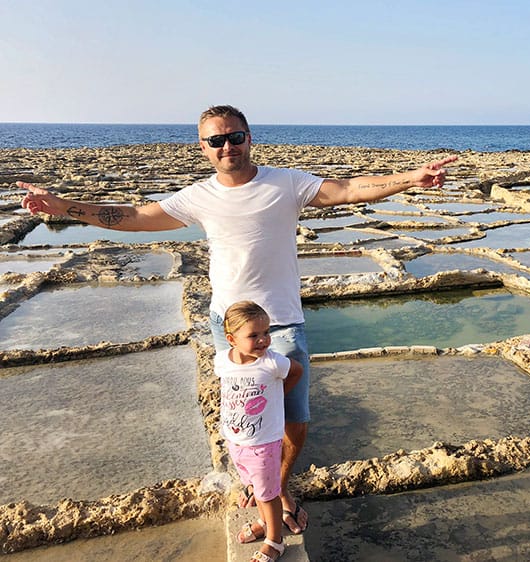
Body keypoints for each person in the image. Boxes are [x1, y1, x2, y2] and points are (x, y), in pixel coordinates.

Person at [19, 104, 458, 533]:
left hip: (282, 321)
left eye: (235, 136)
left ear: (250, 138)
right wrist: (65, 207)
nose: (226, 145)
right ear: (203, 148)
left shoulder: (285, 183)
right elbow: (134, 217)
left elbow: (347, 188)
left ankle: (277, 486)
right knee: (248, 417)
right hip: (226, 324)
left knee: (295, 421)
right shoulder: (199, 197)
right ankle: (265, 489)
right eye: (216, 140)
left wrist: (410, 180)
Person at [218, 300, 302, 562]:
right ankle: (267, 523)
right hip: (237, 440)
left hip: (264, 442)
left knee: (268, 493)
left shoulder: (272, 363)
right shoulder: (222, 360)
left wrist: (276, 396)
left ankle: (275, 541)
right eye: (253, 335)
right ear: (231, 339)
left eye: (266, 333)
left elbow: (297, 371)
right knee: (256, 488)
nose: (264, 340)